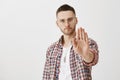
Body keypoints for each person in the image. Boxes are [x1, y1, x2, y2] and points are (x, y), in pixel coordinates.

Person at [42, 4, 99, 80]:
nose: (67, 24)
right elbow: (46, 76)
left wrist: (85, 54)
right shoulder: (51, 49)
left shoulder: (87, 43)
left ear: (76, 20)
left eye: (70, 19)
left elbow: (92, 59)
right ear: (57, 23)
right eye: (62, 21)